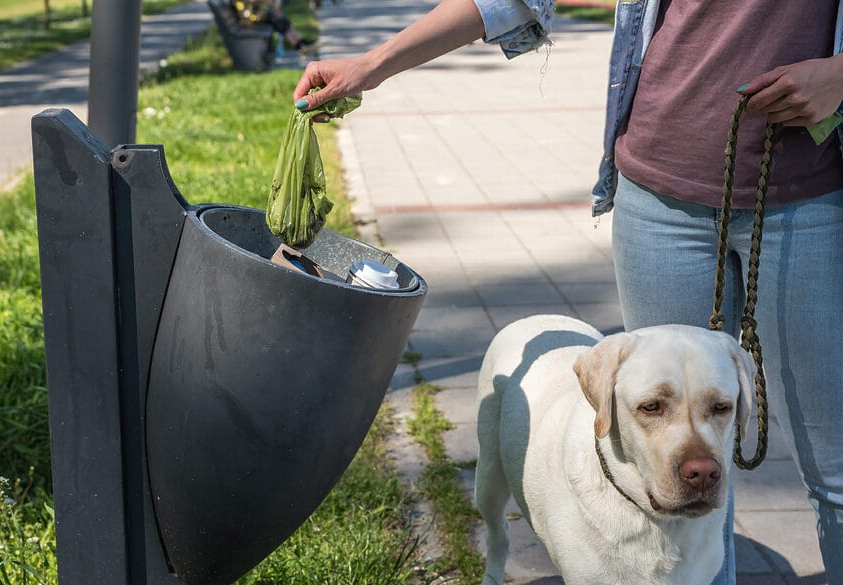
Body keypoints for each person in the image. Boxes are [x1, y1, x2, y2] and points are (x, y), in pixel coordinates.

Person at [292, 1, 843, 584]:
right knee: (682, 468)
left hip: (812, 197)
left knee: (836, 474)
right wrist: (374, 63)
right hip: (659, 199)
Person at [232, 0, 314, 52]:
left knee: (280, 18)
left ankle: (300, 42)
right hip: (249, 21)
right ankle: (299, 46)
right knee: (278, 21)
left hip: (253, 18)